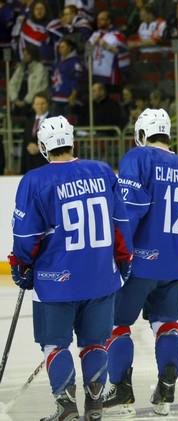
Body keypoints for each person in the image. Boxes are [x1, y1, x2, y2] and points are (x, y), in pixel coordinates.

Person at [8, 116, 131, 421]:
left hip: (56, 280)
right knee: (94, 343)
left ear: (43, 146)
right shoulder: (103, 172)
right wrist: (123, 260)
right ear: (72, 141)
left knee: (54, 343)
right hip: (102, 276)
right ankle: (94, 405)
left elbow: (26, 236)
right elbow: (120, 224)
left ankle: (66, 407)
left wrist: (21, 266)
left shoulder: (35, 180)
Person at [103, 109, 178, 416]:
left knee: (117, 325)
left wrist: (116, 249)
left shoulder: (137, 158)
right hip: (174, 260)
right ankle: (166, 389)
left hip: (141, 261)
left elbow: (131, 208)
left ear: (142, 134)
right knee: (166, 324)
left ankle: (121, 391)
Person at [88, 11, 129, 87]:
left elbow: (123, 51)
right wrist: (91, 46)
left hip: (110, 73)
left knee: (111, 94)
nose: (98, 22)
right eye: (98, 19)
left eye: (101, 19)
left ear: (109, 21)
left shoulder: (117, 35)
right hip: (95, 72)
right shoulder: (95, 34)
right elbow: (88, 51)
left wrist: (107, 46)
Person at [20, 92, 49, 174]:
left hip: (45, 165)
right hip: (30, 167)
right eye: (37, 104)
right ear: (33, 105)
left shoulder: (53, 120)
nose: (40, 106)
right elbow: (25, 144)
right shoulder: (29, 122)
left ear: (48, 104)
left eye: (43, 103)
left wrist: (40, 149)